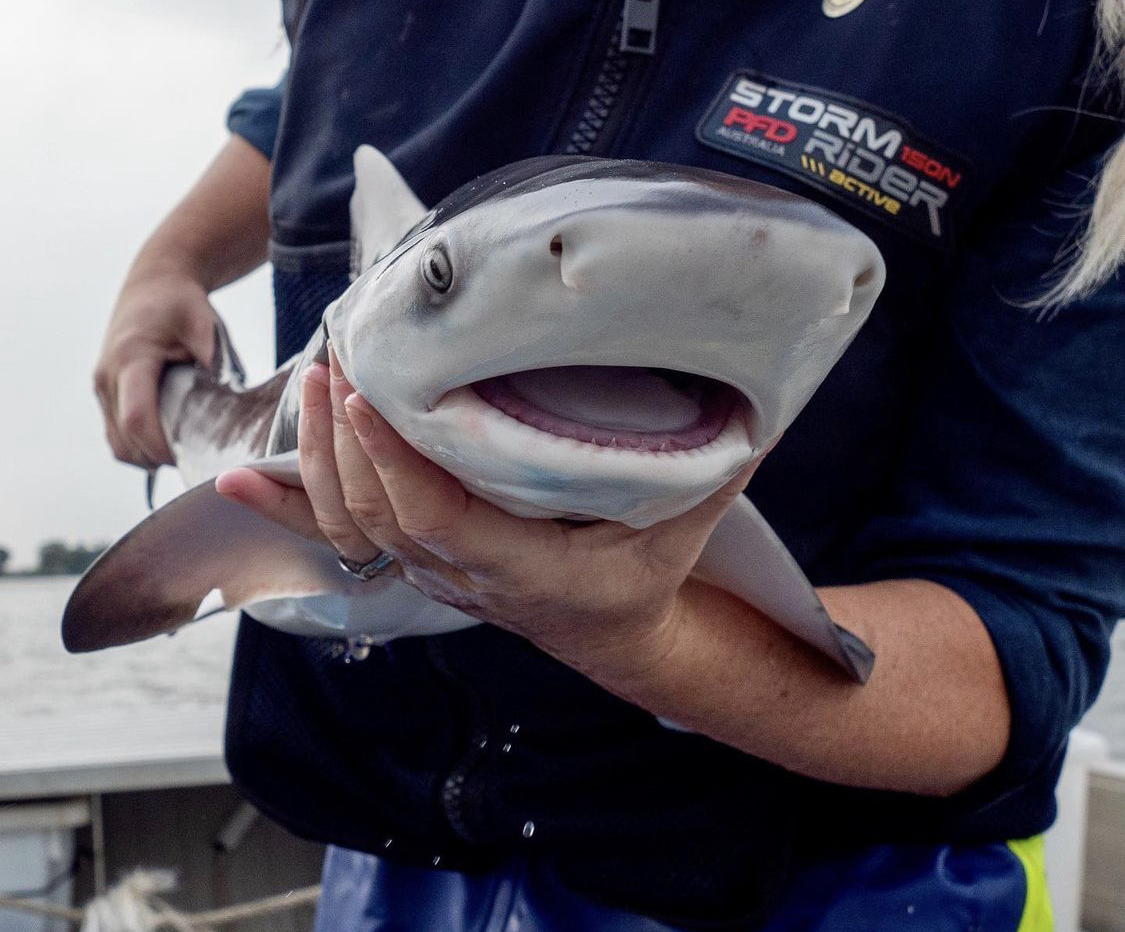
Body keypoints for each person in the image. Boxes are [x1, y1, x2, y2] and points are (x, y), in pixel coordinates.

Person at [94, 1, 1125, 929]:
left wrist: (643, 632)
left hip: (816, 893)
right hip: (389, 853)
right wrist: (170, 261)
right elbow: (310, 86)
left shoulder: (1064, 43)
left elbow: (1017, 632)